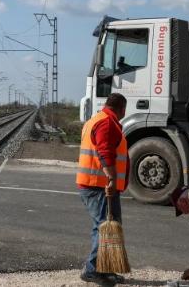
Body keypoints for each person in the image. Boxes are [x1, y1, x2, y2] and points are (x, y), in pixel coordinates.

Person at [77, 93, 129, 285]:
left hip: (96, 184)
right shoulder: (106, 123)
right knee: (104, 228)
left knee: (108, 227)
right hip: (98, 185)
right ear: (121, 108)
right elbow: (104, 152)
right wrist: (112, 179)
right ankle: (92, 270)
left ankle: (104, 269)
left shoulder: (97, 119)